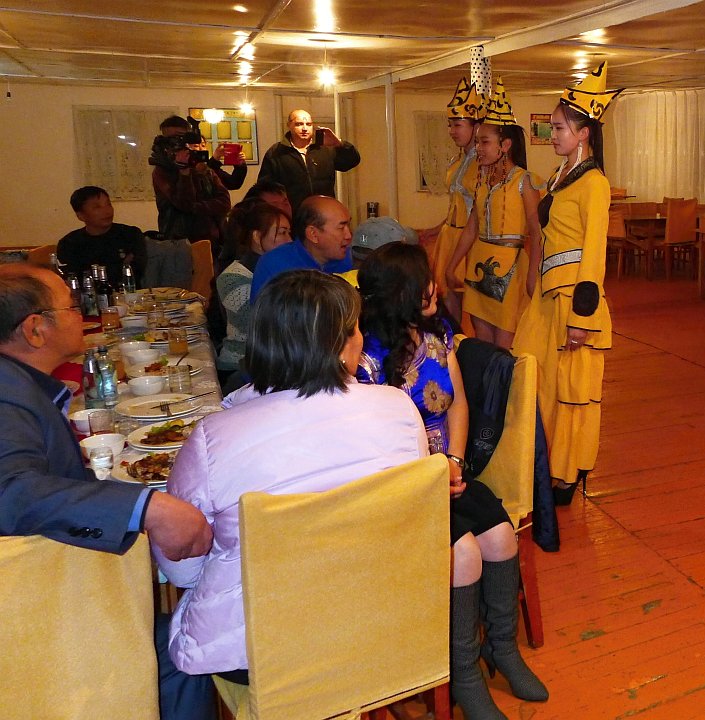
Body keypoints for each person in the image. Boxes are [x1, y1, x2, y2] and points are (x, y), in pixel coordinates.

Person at [152, 271, 430, 702]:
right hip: (379, 623)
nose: (361, 339)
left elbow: (181, 568)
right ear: (339, 345)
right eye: (356, 329)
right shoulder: (398, 409)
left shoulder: (213, 438)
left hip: (263, 651)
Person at [0, 263, 215, 720]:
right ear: (35, 330)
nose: (83, 314)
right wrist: (147, 506)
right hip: (28, 614)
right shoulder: (6, 395)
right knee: (185, 647)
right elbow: (12, 492)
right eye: (71, 307)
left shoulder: (17, 382)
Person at [356, 243, 547, 720]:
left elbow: (458, 401)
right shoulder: (367, 359)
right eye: (424, 280)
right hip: (402, 487)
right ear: (401, 291)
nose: (435, 287)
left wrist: (456, 460)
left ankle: (500, 646)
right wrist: (429, 476)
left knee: (501, 536)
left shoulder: (437, 335)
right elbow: (370, 441)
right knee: (463, 553)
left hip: (448, 472)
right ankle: (461, 670)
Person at [512, 61, 619, 505]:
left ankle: (566, 473)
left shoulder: (594, 184)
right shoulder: (561, 176)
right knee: (536, 382)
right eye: (553, 127)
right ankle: (542, 464)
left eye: (559, 128)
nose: (552, 135)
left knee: (570, 392)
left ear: (583, 134)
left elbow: (594, 254)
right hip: (546, 299)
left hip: (573, 303)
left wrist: (582, 318)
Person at [448, 77, 542, 349]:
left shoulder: (524, 181)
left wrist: (533, 275)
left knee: (504, 346)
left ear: (505, 145)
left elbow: (536, 232)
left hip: (509, 267)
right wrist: (452, 265)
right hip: (479, 265)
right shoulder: (481, 180)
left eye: (484, 142)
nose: (478, 148)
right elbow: (471, 228)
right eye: (477, 142)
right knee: (482, 342)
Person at [215, 202, 291, 380]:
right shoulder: (233, 277)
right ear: (257, 237)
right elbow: (261, 324)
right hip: (239, 365)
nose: (289, 240)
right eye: (282, 233)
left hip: (277, 365)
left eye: (289, 232)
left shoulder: (285, 268)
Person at [432, 78, 484, 321]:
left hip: (470, 240)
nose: (452, 131)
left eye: (458, 125)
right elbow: (455, 206)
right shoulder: (457, 160)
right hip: (449, 237)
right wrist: (433, 230)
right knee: (447, 304)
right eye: (450, 125)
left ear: (476, 126)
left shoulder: (484, 164)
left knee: (473, 306)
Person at [249, 195, 353, 301]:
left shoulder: (350, 259)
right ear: (313, 234)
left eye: (349, 225)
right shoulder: (274, 264)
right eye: (341, 228)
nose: (348, 235)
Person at [150, 119, 232, 249]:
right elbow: (184, 203)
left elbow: (225, 202)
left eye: (182, 138)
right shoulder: (162, 171)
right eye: (172, 139)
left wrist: (195, 207)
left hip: (215, 239)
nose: (178, 143)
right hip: (180, 242)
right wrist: (184, 172)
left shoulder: (202, 167)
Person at [258, 109, 361, 213]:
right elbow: (265, 188)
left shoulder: (325, 148)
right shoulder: (276, 152)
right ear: (289, 125)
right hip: (293, 213)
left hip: (324, 212)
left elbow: (352, 161)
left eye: (308, 124)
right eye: (299, 124)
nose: (304, 128)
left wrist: (339, 143)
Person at [56, 185, 147, 286]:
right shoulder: (69, 243)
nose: (107, 211)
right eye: (97, 207)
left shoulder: (130, 234)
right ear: (80, 216)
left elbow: (135, 271)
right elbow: (73, 278)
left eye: (108, 204)